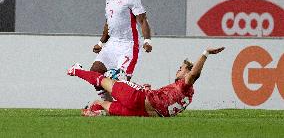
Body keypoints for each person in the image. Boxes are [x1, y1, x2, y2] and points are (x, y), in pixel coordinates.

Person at [67, 47, 225, 117]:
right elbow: (163, 104)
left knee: (102, 79)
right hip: (142, 113)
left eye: (181, 68)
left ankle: (75, 70)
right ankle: (94, 113)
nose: (179, 70)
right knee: (99, 104)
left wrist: (205, 53)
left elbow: (194, 74)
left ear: (188, 72)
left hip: (138, 98)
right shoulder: (188, 96)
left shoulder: (185, 84)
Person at [91, 0, 152, 101]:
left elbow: (142, 20)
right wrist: (101, 42)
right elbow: (109, 22)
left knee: (119, 82)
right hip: (112, 44)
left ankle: (142, 98)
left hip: (128, 46)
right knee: (95, 71)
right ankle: (107, 104)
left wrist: (147, 41)